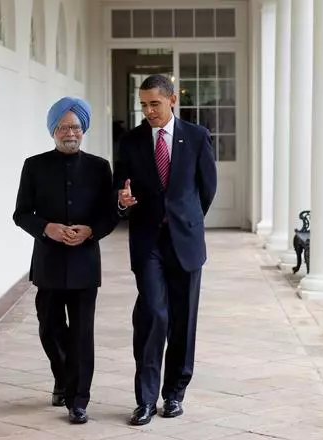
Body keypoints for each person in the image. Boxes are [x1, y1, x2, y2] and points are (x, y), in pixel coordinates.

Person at [114, 74, 217, 425]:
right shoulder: (129, 142)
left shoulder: (198, 137)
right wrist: (123, 201)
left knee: (183, 320)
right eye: (143, 104)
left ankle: (174, 394)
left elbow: (206, 190)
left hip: (185, 242)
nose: (148, 111)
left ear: (172, 100)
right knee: (153, 315)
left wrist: (184, 220)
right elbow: (120, 189)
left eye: (154, 103)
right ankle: (145, 398)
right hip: (147, 242)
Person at [13, 97, 117, 424]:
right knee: (50, 329)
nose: (69, 132)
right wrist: (47, 228)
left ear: (83, 129)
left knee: (82, 334)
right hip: (49, 263)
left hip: (86, 264)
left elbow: (110, 214)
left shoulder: (100, 168)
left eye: (74, 126)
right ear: (53, 131)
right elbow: (20, 214)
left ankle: (78, 399)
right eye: (63, 126)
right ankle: (62, 376)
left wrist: (90, 231)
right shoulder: (34, 165)